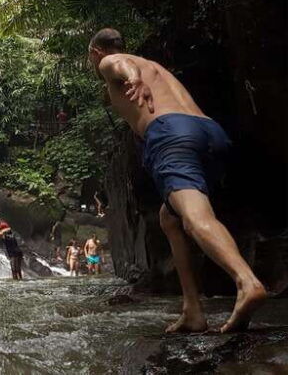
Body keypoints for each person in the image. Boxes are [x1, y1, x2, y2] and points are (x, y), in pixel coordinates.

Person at [88, 28, 266, 333]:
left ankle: (246, 283)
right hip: (209, 133)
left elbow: (119, 66)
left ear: (96, 52)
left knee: (196, 217)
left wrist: (133, 79)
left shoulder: (112, 61)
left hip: (172, 135)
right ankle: (192, 310)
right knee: (169, 219)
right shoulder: (157, 67)